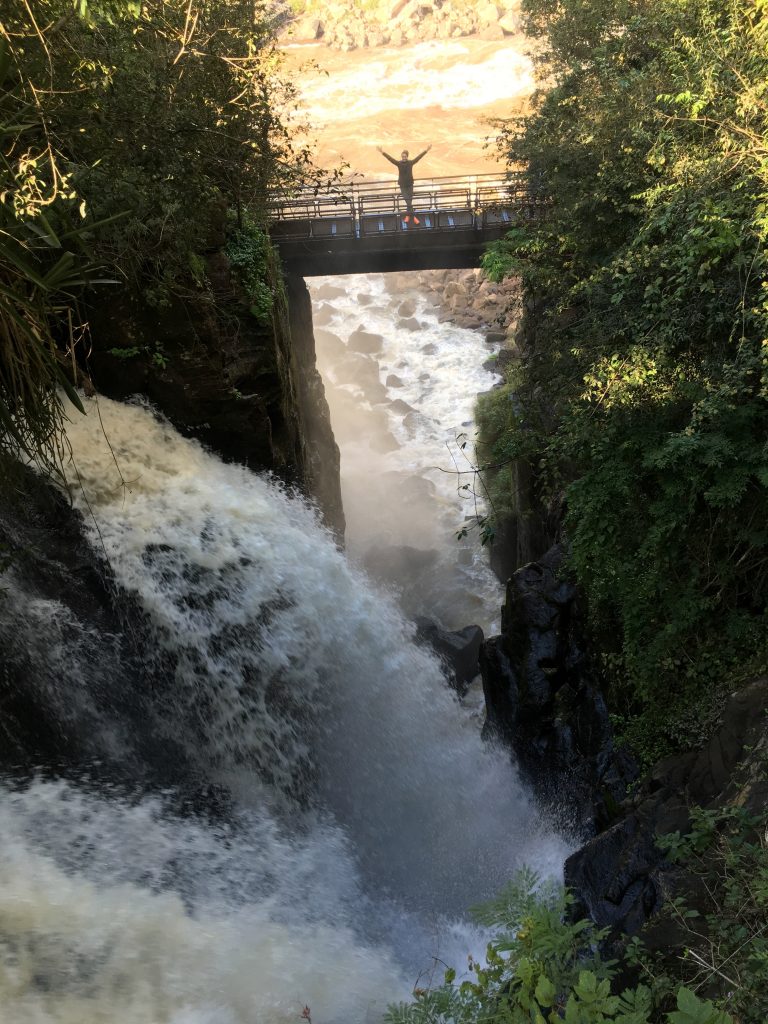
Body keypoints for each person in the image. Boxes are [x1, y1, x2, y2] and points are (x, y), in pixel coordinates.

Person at [377, 144, 432, 224]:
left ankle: (408, 216)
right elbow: (390, 159)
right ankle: (414, 217)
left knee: (409, 202)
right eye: (402, 156)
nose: (403, 158)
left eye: (405, 156)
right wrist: (382, 152)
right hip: (402, 186)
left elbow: (418, 157)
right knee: (408, 201)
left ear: (407, 156)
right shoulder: (399, 163)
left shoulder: (411, 163)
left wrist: (426, 150)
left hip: (410, 185)